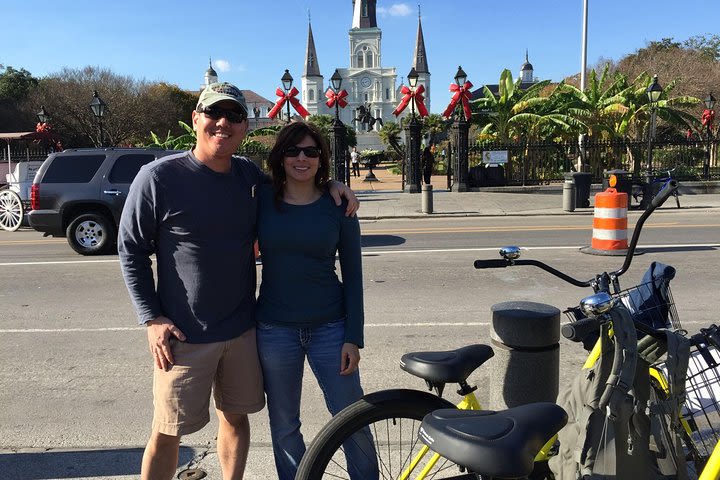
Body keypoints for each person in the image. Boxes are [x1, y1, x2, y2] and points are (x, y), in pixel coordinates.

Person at [118, 82, 358, 480]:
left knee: (235, 418)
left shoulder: (248, 176)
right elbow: (131, 251)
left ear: (245, 128)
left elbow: (296, 178)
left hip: (244, 330)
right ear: (196, 119)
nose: (223, 123)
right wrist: (151, 318)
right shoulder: (158, 178)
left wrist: (330, 184)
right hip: (183, 335)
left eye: (234, 116)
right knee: (168, 430)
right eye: (214, 114)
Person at [255, 121, 376, 480]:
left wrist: (354, 336)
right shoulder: (261, 199)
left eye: (310, 151)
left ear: (322, 159)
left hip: (331, 329)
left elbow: (353, 277)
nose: (301, 158)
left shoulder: (339, 206)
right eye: (292, 151)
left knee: (353, 418)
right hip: (275, 330)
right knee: (284, 425)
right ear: (280, 158)